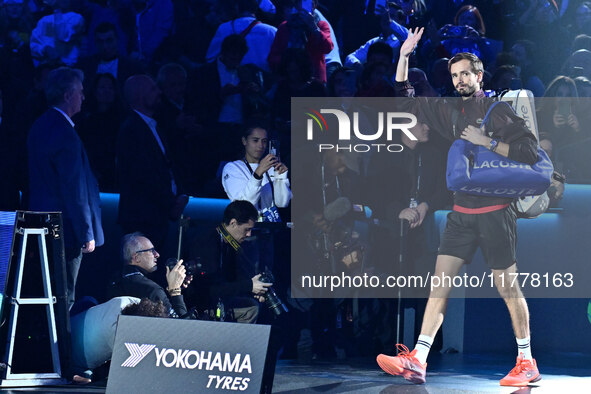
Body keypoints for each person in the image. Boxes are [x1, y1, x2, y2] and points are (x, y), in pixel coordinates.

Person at [377, 28, 541, 387]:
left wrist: (490, 141)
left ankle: (526, 361)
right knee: (440, 285)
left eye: (465, 73)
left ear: (479, 76)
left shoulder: (499, 112)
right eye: (454, 75)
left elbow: (531, 153)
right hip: (461, 213)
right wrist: (404, 56)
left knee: (507, 286)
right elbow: (404, 100)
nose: (459, 80)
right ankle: (418, 359)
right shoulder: (447, 110)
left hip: (497, 210)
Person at [27, 66, 104, 309]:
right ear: (68, 95)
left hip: (41, 225)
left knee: (47, 293)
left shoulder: (38, 126)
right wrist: (86, 232)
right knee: (64, 297)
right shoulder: (65, 133)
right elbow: (74, 189)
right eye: (80, 92)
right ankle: (61, 346)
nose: (83, 97)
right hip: (66, 231)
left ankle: (47, 344)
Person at [117, 74, 187, 251]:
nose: (159, 92)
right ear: (140, 95)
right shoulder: (132, 130)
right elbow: (144, 174)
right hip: (143, 216)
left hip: (157, 214)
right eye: (153, 89)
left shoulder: (152, 126)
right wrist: (171, 203)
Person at [187, 200, 272, 324]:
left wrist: (255, 289)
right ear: (233, 223)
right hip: (200, 303)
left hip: (216, 299)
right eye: (246, 229)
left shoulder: (229, 243)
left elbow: (234, 279)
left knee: (251, 305)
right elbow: (209, 290)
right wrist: (249, 286)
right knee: (250, 309)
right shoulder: (207, 243)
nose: (249, 234)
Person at [106, 233, 189, 318]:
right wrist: (175, 290)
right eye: (151, 251)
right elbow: (181, 324)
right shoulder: (152, 289)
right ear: (136, 257)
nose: (157, 254)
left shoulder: (114, 281)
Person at [222, 124, 291, 222]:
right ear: (244, 141)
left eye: (264, 141)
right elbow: (245, 205)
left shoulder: (271, 167)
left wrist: (281, 177)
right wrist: (258, 173)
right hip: (247, 229)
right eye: (255, 140)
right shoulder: (233, 168)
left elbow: (282, 203)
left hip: (272, 227)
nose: (260, 146)